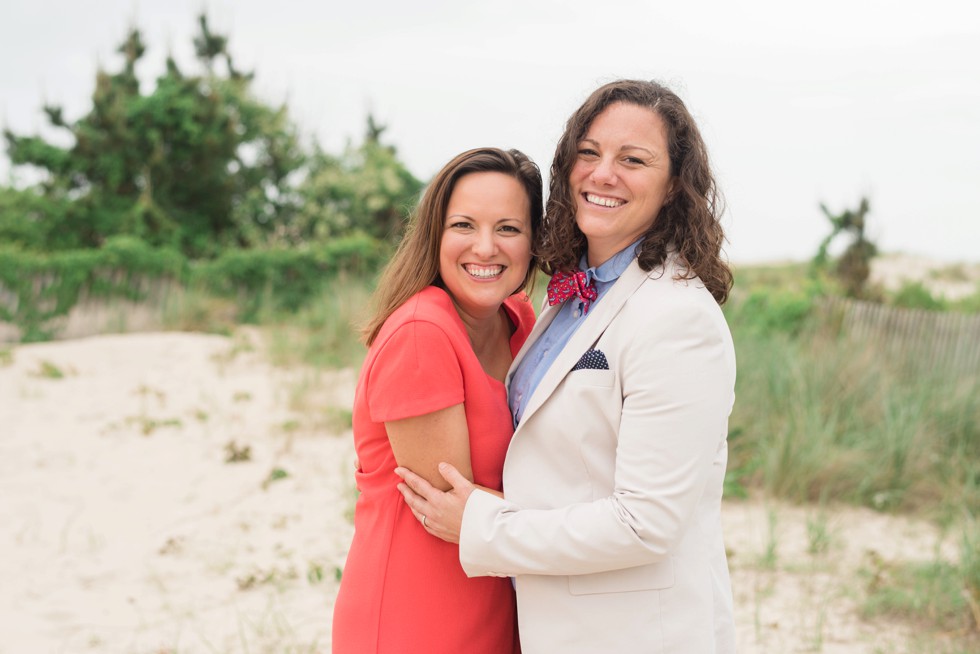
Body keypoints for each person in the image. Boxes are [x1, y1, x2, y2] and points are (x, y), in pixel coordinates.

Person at [396, 79, 737, 653]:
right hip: (554, 625)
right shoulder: (566, 297)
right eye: (589, 153)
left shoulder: (678, 318)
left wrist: (484, 526)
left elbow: (645, 522)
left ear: (674, 185)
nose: (603, 174)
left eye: (633, 159)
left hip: (634, 635)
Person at [331, 147, 543, 653]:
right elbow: (452, 510)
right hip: (418, 618)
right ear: (435, 234)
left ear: (535, 241)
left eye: (509, 228)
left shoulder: (521, 320)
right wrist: (601, 524)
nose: (486, 247)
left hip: (500, 602)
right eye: (464, 225)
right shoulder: (421, 335)